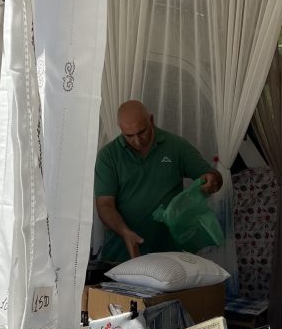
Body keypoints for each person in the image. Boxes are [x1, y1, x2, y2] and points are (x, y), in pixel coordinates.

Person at [94, 100, 222, 262]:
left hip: (171, 254)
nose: (137, 140)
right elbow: (104, 205)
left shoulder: (175, 146)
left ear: (151, 120)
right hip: (123, 253)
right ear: (120, 128)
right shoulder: (108, 156)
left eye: (141, 132)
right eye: (129, 136)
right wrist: (125, 233)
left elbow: (212, 176)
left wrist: (211, 180)